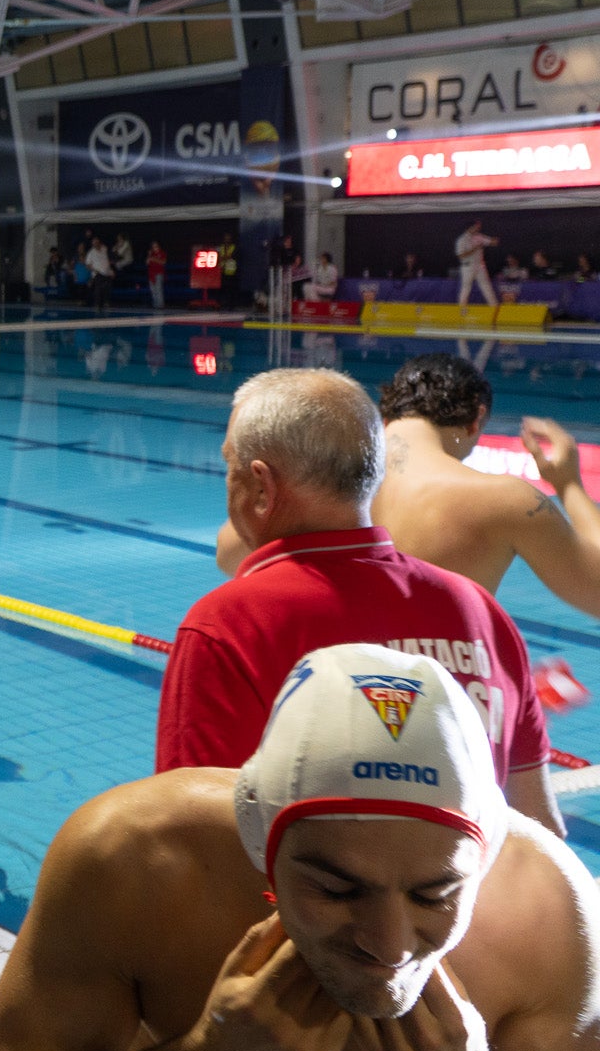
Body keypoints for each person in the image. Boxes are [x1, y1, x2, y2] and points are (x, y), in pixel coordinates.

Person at [0, 641, 600, 1051]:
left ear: (482, 859)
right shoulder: (137, 859)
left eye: (434, 894)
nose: (389, 947)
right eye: (337, 889)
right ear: (260, 843)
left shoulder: (545, 913)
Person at [173, 368, 560, 834]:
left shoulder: (227, 625)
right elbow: (543, 833)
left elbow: (193, 840)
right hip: (472, 880)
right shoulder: (480, 611)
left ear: (260, 486)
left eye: (229, 464)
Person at [368, 354, 600, 619]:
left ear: (385, 417)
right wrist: (570, 486)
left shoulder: (332, 471)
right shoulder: (506, 500)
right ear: (475, 420)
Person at [456, 219, 497, 307]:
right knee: (466, 287)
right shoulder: (462, 239)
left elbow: (492, 242)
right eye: (476, 227)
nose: (478, 229)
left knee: (486, 285)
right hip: (468, 266)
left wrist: (494, 240)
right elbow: (460, 255)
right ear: (470, 227)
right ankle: (462, 308)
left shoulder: (479, 236)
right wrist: (475, 248)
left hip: (480, 265)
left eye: (478, 227)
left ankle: (494, 306)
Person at [85, 236, 114, 312]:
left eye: (97, 242)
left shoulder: (104, 249)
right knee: (98, 289)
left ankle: (106, 302)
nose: (96, 244)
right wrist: (94, 270)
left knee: (107, 288)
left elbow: (107, 260)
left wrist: (111, 270)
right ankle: (97, 304)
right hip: (97, 273)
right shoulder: (91, 253)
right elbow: (87, 265)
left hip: (106, 272)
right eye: (94, 243)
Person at [145, 240, 167, 310]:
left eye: (156, 246)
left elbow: (163, 262)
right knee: (153, 289)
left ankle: (160, 304)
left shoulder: (162, 253)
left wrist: (154, 259)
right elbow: (147, 263)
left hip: (158, 273)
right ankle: (155, 304)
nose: (155, 248)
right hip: (151, 274)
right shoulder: (151, 254)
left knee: (158, 289)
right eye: (153, 247)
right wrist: (149, 256)